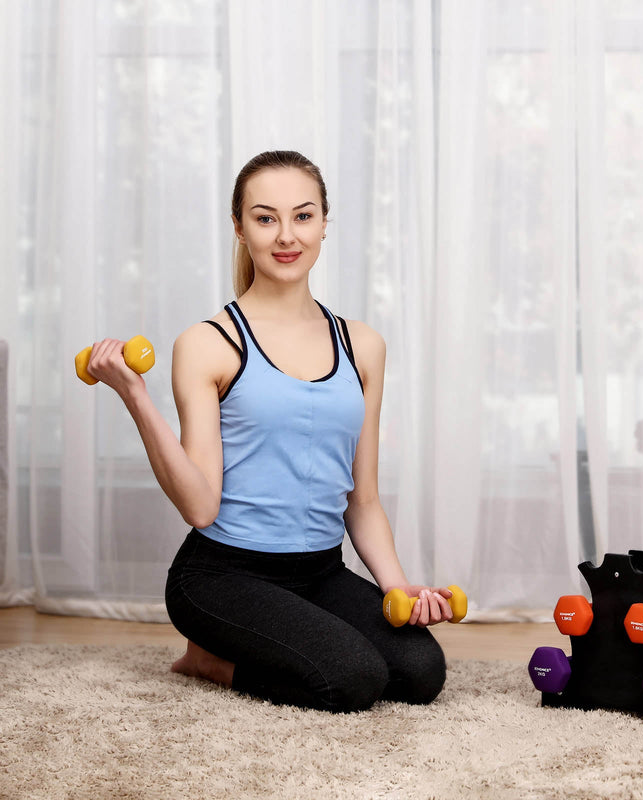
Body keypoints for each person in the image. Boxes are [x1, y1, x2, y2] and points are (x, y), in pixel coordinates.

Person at [85, 150, 451, 712]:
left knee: (422, 672)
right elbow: (200, 507)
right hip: (221, 576)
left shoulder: (363, 346)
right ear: (240, 227)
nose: (286, 235)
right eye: (265, 217)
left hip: (321, 570)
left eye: (303, 216)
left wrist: (398, 588)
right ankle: (208, 658)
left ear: (325, 224)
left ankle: (292, 640)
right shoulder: (207, 343)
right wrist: (135, 396)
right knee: (353, 680)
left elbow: (364, 500)